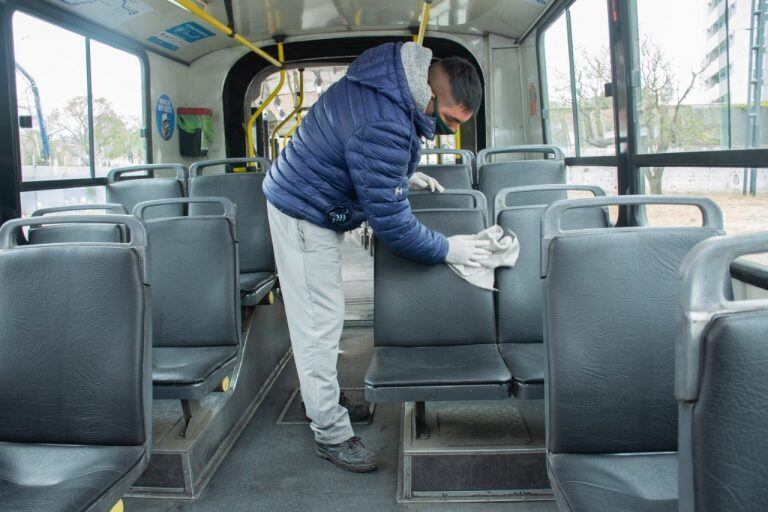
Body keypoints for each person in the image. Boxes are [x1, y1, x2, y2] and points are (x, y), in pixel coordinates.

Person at [262, 41, 487, 473]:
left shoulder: (395, 79)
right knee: (318, 323)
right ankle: (330, 431)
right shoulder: (384, 122)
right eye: (451, 120)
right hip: (303, 209)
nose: (453, 132)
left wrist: (404, 174)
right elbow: (394, 227)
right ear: (431, 95)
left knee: (326, 314)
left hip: (317, 194)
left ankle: (324, 397)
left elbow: (364, 150)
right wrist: (449, 247)